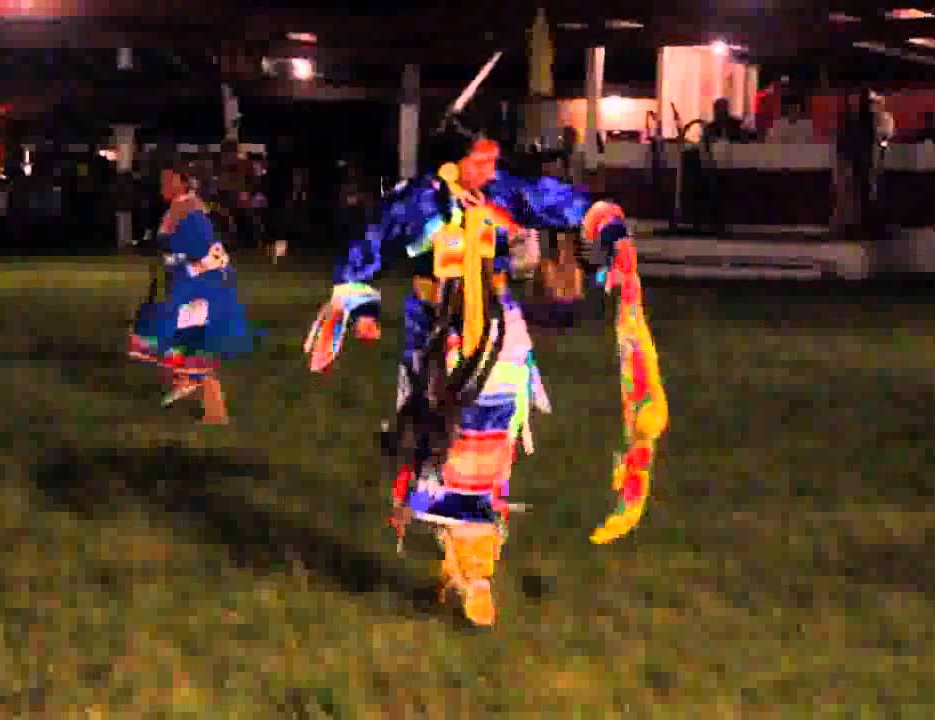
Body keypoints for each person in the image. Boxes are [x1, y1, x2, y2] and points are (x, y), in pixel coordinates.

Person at [302, 119, 632, 626]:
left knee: (492, 439)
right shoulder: (417, 201)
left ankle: (471, 569)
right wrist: (361, 307)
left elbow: (555, 200)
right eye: (481, 161)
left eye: (493, 161)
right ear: (452, 162)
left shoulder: (501, 193)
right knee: (443, 445)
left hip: (498, 332)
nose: (491, 170)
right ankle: (467, 566)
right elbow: (367, 247)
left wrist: (605, 224)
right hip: (436, 336)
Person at [128, 163, 256, 424]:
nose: (163, 186)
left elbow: (211, 256)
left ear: (185, 183)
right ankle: (192, 386)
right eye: (161, 180)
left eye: (169, 180)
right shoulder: (178, 209)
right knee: (175, 338)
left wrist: (186, 274)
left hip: (204, 289)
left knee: (180, 339)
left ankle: (204, 399)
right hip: (191, 285)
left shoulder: (192, 213)